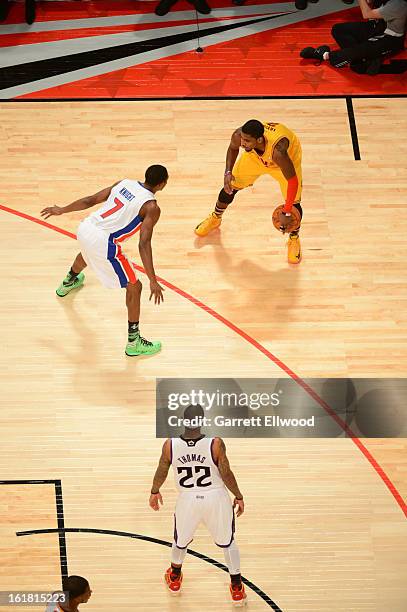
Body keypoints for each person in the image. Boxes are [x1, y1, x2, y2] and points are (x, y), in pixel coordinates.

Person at [40, 165, 167, 357]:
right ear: (162, 184)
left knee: (88, 252)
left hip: (86, 227)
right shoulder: (151, 207)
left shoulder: (124, 183)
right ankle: (134, 343)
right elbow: (144, 244)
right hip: (104, 241)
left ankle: (68, 282)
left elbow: (90, 200)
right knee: (135, 286)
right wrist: (152, 280)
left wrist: (62, 210)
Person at [149, 404, 247, 606]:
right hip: (216, 498)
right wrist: (238, 495)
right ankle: (236, 587)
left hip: (188, 499)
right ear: (202, 421)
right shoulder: (215, 444)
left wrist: (154, 491)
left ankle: (175, 577)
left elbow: (162, 470)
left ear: (184, 421)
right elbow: (226, 473)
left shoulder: (170, 444)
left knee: (180, 540)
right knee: (228, 543)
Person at [195, 119, 303, 264]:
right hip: (255, 158)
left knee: (294, 203)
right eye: (242, 139)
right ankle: (215, 218)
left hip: (284, 163)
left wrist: (287, 211)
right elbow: (233, 148)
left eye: (247, 140)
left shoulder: (279, 152)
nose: (242, 143)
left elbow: (292, 182)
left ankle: (294, 238)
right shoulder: (239, 136)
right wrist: (228, 172)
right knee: (230, 187)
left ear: (259, 139)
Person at [300, 0, 407, 74]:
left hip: (390, 38)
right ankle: (368, 57)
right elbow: (368, 2)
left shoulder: (399, 4)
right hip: (376, 27)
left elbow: (367, 13)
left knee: (357, 65)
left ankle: (324, 55)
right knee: (338, 30)